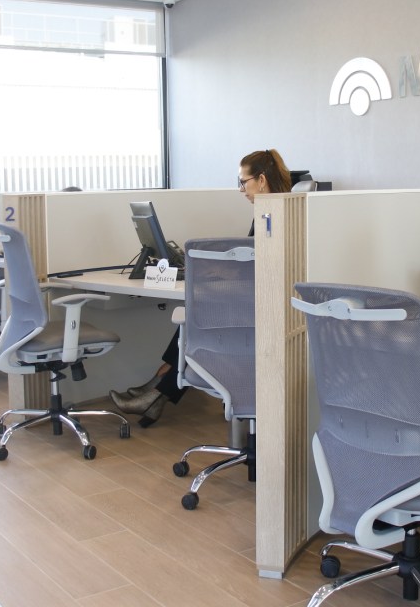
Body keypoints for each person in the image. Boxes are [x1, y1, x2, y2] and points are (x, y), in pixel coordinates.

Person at [109, 149, 293, 426]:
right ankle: (158, 386)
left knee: (200, 316)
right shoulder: (268, 212)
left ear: (262, 180)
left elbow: (270, 267)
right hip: (251, 299)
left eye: (243, 182)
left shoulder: (277, 214)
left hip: (266, 309)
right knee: (198, 314)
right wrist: (217, 271)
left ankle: (157, 391)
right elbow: (253, 262)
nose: (241, 189)